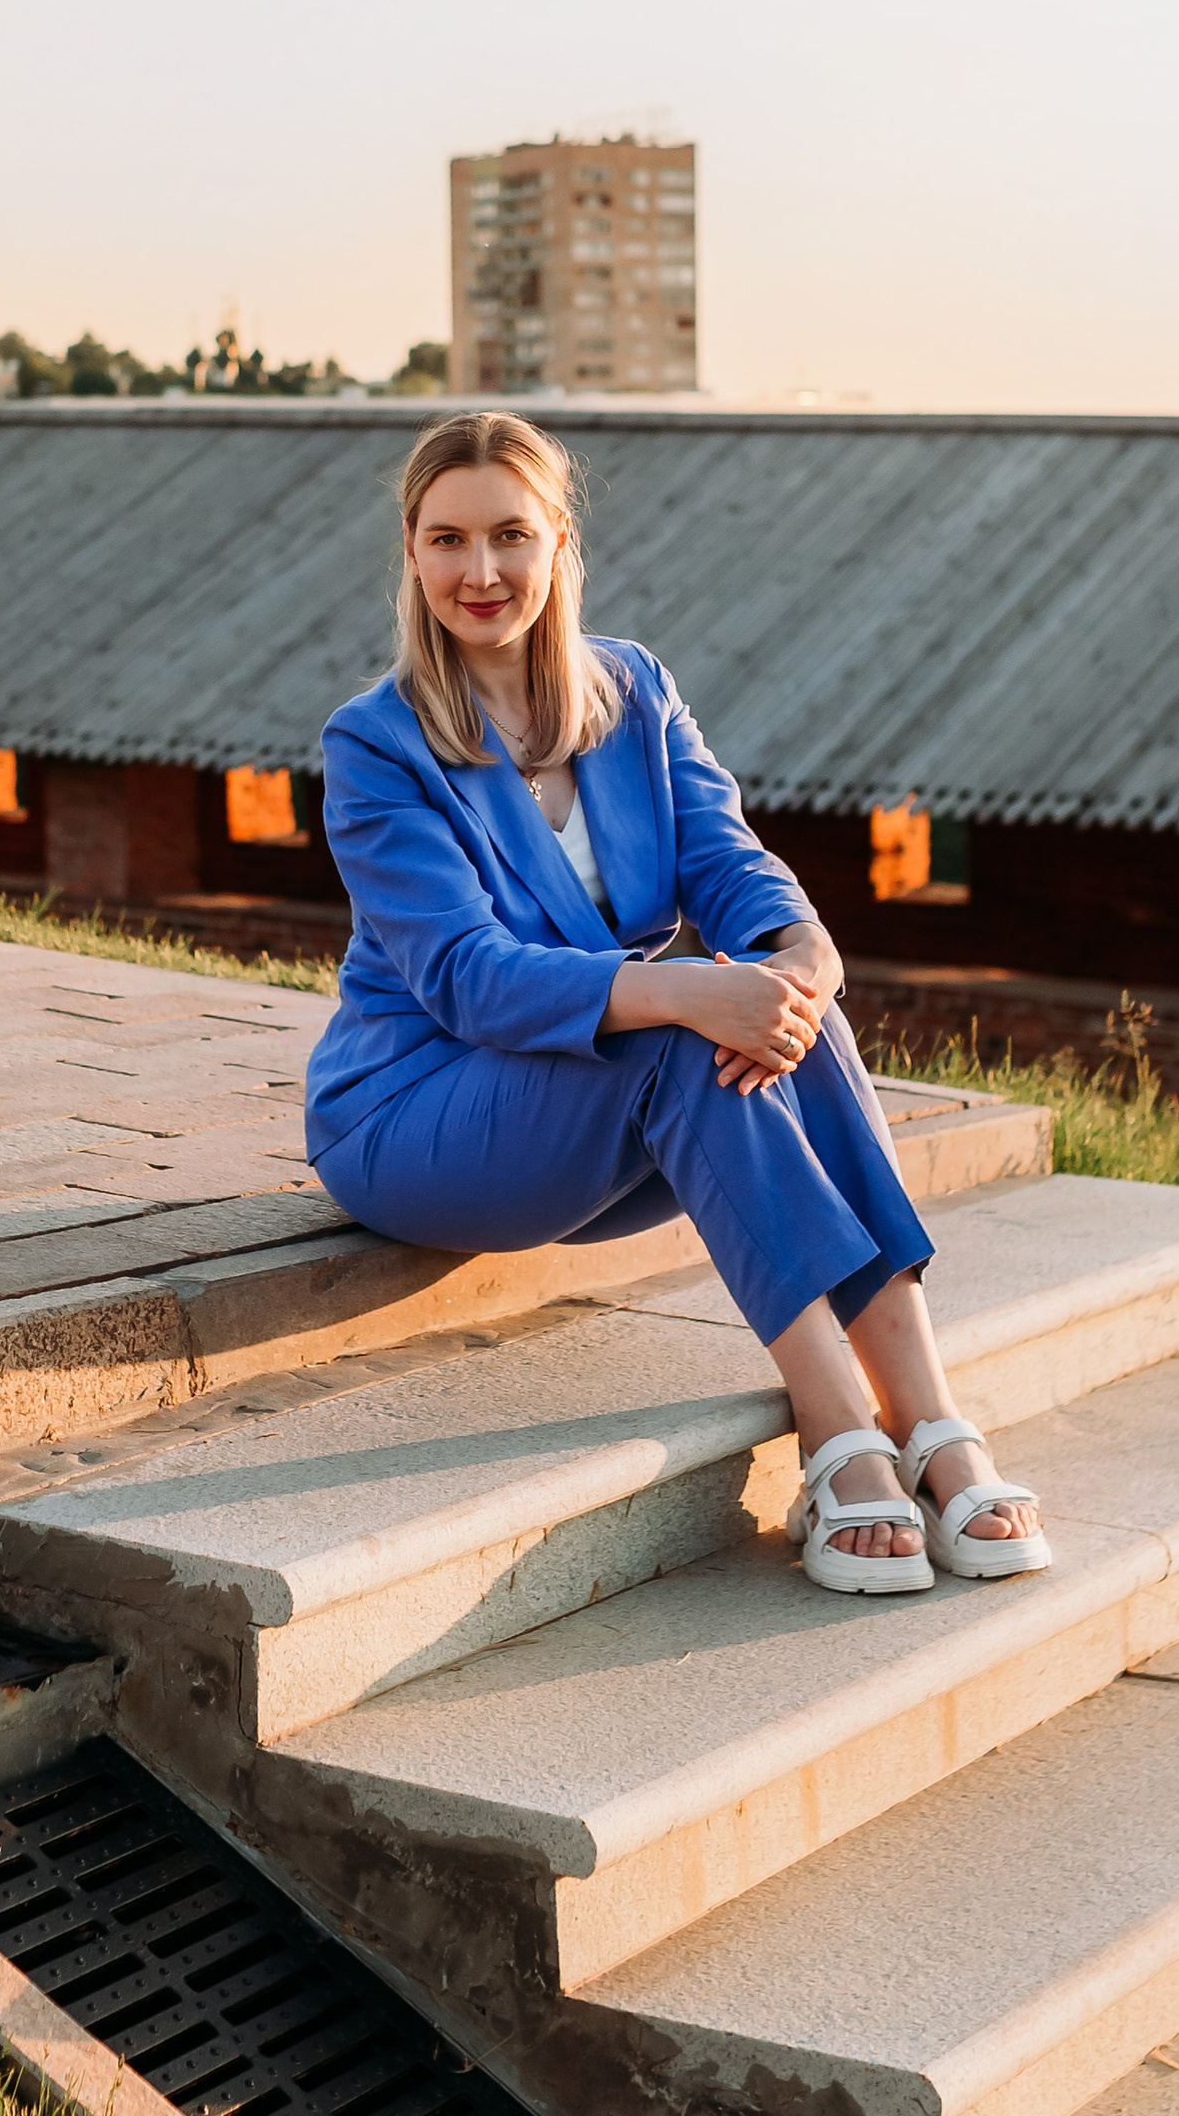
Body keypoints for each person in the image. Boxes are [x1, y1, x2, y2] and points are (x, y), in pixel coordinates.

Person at [303, 409, 1048, 1595]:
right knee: (679, 1027)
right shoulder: (377, 745)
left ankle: (924, 1407)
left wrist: (801, 958)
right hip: (414, 1119)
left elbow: (729, 865)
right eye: (446, 541)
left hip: (591, 1120)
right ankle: (833, 1418)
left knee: (780, 1013)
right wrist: (695, 989)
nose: (479, 573)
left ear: (559, 541)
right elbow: (468, 978)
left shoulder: (632, 690)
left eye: (508, 535)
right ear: (411, 552)